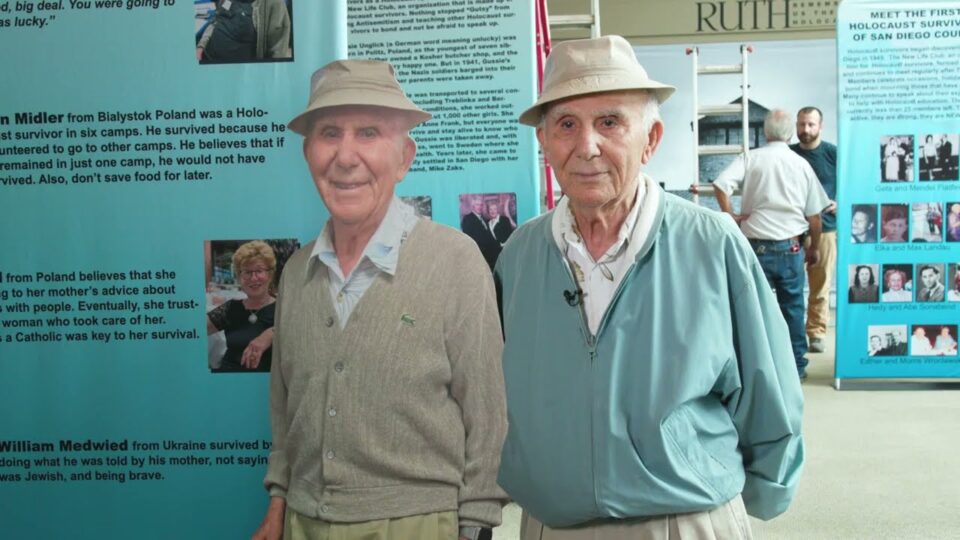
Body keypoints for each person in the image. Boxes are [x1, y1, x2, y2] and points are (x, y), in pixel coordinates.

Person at [496, 36, 803, 539]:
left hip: (683, 520)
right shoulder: (520, 255)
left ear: (651, 138)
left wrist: (760, 494)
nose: (587, 146)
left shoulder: (711, 242)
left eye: (610, 122)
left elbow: (770, 391)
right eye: (567, 125)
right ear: (544, 142)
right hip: (553, 525)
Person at [253, 59, 508, 540]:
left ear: (405, 157)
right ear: (308, 152)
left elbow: (488, 415)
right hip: (303, 523)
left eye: (368, 132)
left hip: (419, 525)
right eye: (330, 133)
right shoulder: (296, 273)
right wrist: (279, 503)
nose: (345, 157)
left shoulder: (454, 261)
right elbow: (285, 410)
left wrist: (475, 526)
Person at [714, 109, 830, 378]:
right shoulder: (801, 164)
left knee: (754, 310)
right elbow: (814, 216)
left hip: (756, 249)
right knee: (792, 308)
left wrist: (729, 214)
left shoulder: (751, 158)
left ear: (766, 132)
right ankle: (796, 368)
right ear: (789, 132)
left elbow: (721, 185)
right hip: (791, 248)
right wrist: (813, 248)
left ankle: (755, 370)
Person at [791, 106, 837, 353]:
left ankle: (816, 332)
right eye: (801, 124)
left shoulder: (832, 154)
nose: (805, 129)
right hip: (792, 231)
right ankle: (793, 335)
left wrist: (840, 203)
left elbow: (852, 183)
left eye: (810, 124)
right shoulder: (788, 155)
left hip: (827, 230)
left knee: (820, 285)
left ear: (820, 126)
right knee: (791, 287)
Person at [206, 240, 276, 372]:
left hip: (266, 385)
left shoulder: (283, 309)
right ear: (239, 276)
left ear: (270, 274)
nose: (253, 278)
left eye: (259, 271)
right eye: (247, 272)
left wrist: (272, 333)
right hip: (227, 380)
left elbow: (304, 328)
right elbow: (194, 330)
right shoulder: (231, 307)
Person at [196, 0, 292, 63]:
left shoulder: (274, 4)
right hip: (206, 56)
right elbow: (216, 21)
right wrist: (201, 46)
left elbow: (278, 54)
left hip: (237, 76)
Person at [461, 196, 502, 270]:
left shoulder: (485, 219)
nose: (479, 207)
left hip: (492, 258)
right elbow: (470, 240)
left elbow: (490, 237)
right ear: (473, 206)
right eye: (477, 205)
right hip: (480, 258)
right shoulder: (468, 219)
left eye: (481, 205)